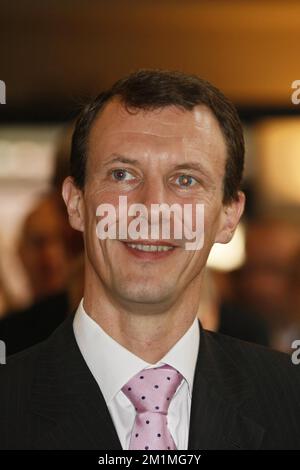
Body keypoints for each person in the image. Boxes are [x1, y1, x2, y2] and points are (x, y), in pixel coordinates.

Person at [0, 70, 299, 450]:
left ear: (228, 217)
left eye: (186, 180)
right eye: (122, 174)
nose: (152, 208)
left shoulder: (290, 403)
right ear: (76, 204)